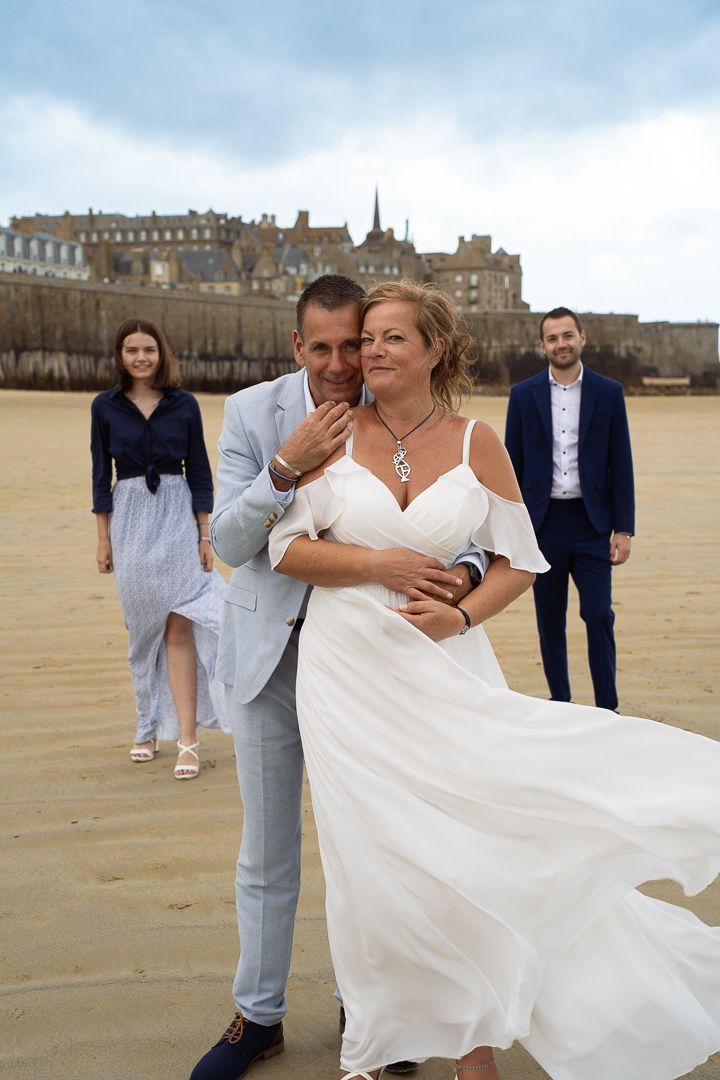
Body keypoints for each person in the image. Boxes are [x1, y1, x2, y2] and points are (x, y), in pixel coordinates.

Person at [268, 279, 720, 1079]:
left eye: (391, 337)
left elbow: (521, 560)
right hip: (346, 674)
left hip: (445, 666)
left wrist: (461, 617)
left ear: (433, 349)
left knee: (466, 852)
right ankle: (374, 1043)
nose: (371, 351)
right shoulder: (332, 434)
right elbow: (286, 550)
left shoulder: (477, 441)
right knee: (369, 864)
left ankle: (471, 1046)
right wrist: (379, 564)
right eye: (366, 339)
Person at [191, 275, 488, 1080]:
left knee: (375, 847)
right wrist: (284, 468)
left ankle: (374, 1010)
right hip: (267, 663)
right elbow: (230, 545)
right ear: (297, 345)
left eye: (351, 345)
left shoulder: (394, 407)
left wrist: (462, 574)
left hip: (371, 665)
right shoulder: (251, 413)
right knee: (267, 852)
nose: (337, 364)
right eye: (319, 348)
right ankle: (258, 1016)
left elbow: (455, 516)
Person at [91, 317, 227, 779]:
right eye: (132, 350)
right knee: (141, 633)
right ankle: (146, 727)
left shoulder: (183, 404)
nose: (141, 357)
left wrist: (204, 535)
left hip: (177, 517)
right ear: (120, 355)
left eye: (148, 349)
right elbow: (100, 477)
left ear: (160, 353)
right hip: (129, 520)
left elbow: (200, 471)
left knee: (178, 627)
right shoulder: (104, 406)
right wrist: (103, 538)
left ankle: (187, 739)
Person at [504, 308, 634, 710]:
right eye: (552, 338)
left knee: (598, 615)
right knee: (549, 619)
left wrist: (623, 529)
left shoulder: (608, 392)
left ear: (582, 338)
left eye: (567, 336)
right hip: (542, 525)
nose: (561, 344)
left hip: (591, 523)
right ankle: (560, 702)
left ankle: (607, 707)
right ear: (541, 345)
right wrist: (511, 528)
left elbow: (621, 462)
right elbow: (511, 465)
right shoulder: (522, 395)